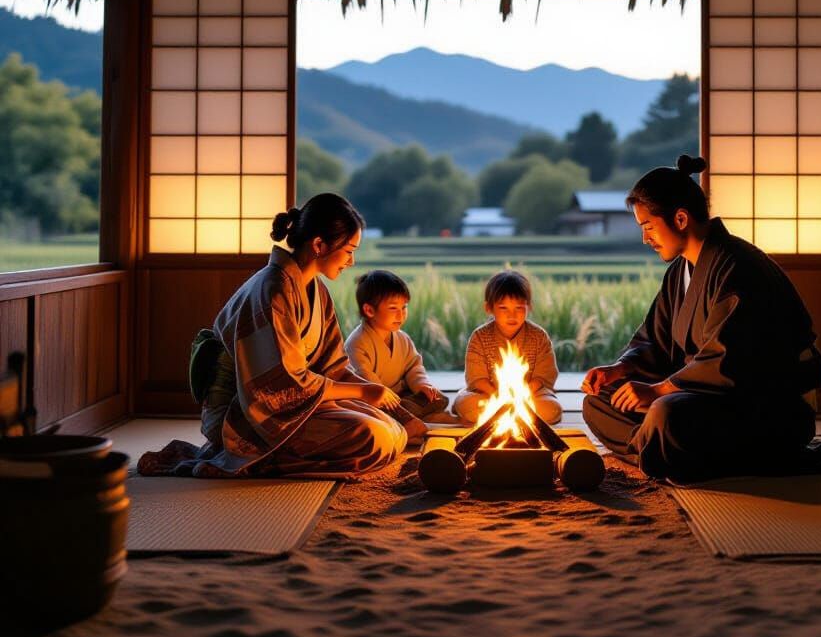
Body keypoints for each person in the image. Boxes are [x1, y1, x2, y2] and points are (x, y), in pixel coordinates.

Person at [581, 155, 821, 485]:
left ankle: (655, 450)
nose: (645, 239)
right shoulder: (679, 272)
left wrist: (659, 390)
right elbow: (654, 339)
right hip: (702, 400)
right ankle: (661, 452)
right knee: (599, 400)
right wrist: (620, 369)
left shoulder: (738, 267)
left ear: (680, 218)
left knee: (665, 414)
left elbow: (728, 360)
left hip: (763, 408)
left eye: (648, 227)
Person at [138, 193, 408, 478]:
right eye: (349, 250)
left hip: (295, 402)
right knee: (371, 435)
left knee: (393, 431)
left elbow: (334, 368)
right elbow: (280, 386)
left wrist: (378, 397)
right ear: (319, 245)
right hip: (245, 412)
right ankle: (255, 460)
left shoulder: (317, 292)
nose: (352, 262)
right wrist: (364, 392)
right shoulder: (273, 290)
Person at [454, 270, 562, 426]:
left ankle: (501, 419)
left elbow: (544, 376)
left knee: (552, 409)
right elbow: (476, 379)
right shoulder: (480, 336)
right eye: (503, 308)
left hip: (529, 396)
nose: (512, 315)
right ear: (489, 308)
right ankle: (518, 420)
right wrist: (499, 395)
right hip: (490, 396)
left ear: (529, 307)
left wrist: (521, 394)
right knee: (465, 403)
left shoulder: (539, 336)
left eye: (519, 308)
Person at [345, 269, 452, 422]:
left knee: (437, 398)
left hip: (403, 396)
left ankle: (410, 417)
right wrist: (388, 399)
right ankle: (410, 418)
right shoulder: (357, 343)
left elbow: (413, 367)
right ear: (369, 310)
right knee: (382, 411)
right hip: (379, 401)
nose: (401, 315)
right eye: (393, 308)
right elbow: (366, 382)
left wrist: (422, 385)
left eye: (404, 307)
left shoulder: (402, 338)